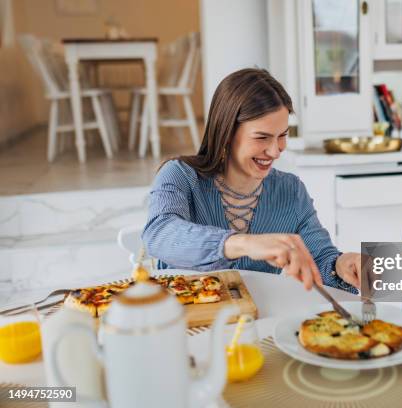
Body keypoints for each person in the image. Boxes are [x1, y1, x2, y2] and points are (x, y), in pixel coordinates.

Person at [142, 68, 360, 292]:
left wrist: (341, 264)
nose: (275, 151)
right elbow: (160, 234)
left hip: (257, 323)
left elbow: (321, 259)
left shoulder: (290, 190)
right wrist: (246, 243)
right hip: (187, 321)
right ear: (226, 132)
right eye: (262, 137)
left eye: (282, 135)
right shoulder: (180, 175)